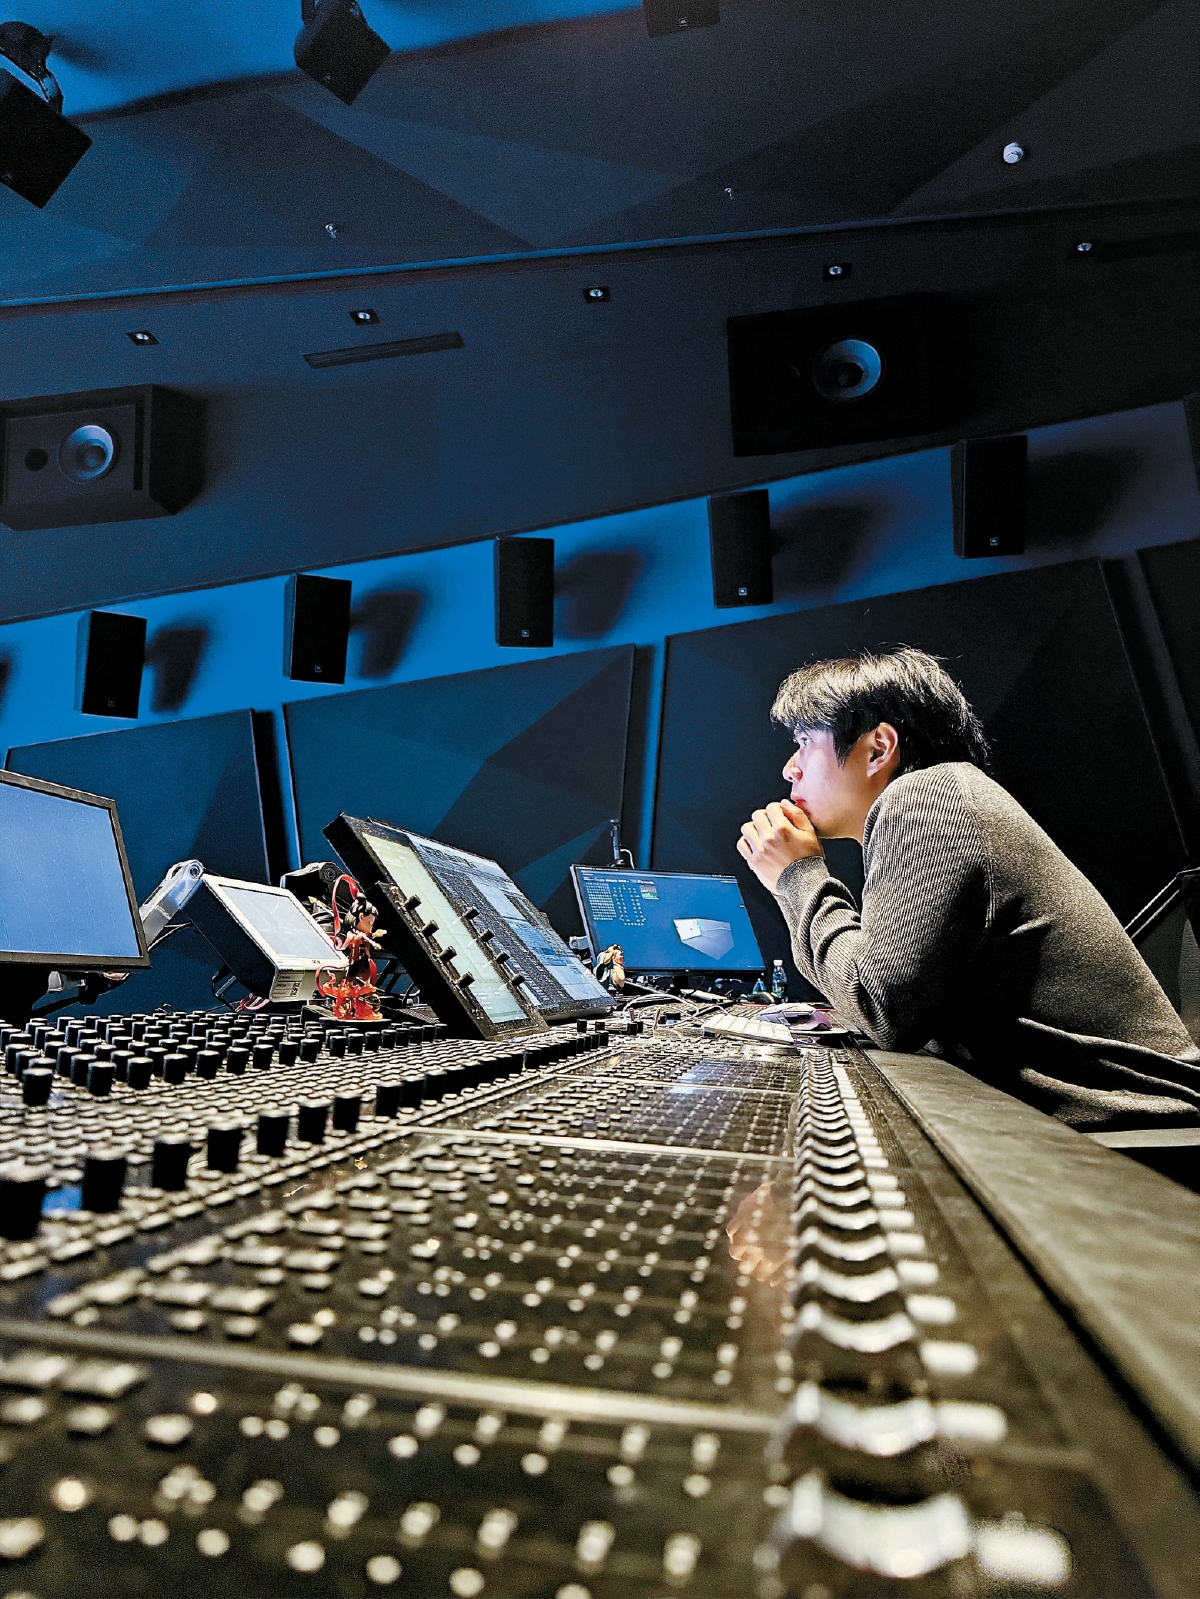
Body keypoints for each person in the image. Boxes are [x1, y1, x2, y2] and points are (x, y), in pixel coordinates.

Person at [735, 646, 1200, 1132]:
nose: (791, 767)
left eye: (805, 741)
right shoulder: (938, 798)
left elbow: (880, 1007)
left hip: (1144, 1133)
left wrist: (798, 875)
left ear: (878, 749)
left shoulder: (927, 796)